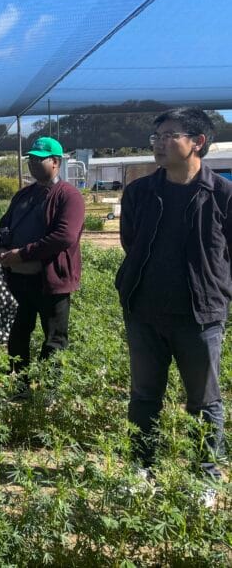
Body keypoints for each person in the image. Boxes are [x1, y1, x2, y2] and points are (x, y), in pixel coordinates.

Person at [115, 107, 230, 490]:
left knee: (204, 401)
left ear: (198, 142)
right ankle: (142, 470)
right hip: (145, 314)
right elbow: (131, 244)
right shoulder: (140, 193)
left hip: (199, 317)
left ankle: (207, 480)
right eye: (156, 137)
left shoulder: (222, 195)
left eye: (169, 136)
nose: (159, 144)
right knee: (145, 396)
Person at [0, 136, 84, 396]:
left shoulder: (69, 196)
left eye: (38, 159)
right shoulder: (24, 195)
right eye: (30, 159)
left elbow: (64, 236)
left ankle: (49, 392)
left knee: (54, 338)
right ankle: (19, 386)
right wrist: (1, 247)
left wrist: (22, 254)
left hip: (51, 283)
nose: (32, 164)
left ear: (55, 162)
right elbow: (5, 226)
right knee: (18, 333)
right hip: (19, 281)